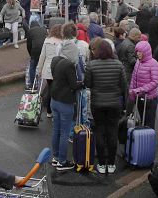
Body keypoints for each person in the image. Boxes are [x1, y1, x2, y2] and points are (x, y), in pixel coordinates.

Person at [84, 37, 126, 174]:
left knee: (100, 131)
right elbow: (124, 86)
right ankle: (111, 163)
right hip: (114, 103)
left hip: (97, 103)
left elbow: (88, 84)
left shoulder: (91, 65)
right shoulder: (119, 64)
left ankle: (101, 164)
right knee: (112, 131)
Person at [49, 39, 83, 171]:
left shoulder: (55, 60)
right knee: (64, 132)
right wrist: (82, 83)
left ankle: (56, 157)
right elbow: (74, 85)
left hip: (54, 100)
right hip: (65, 101)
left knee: (56, 130)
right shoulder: (69, 64)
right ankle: (62, 161)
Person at [128, 40, 158, 129]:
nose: (138, 54)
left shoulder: (154, 64)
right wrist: (132, 93)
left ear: (145, 52)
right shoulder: (138, 62)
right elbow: (134, 78)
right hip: (139, 98)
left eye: (140, 52)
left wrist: (139, 90)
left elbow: (155, 82)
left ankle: (149, 141)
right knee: (142, 120)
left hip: (150, 99)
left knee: (149, 123)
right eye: (137, 51)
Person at [36, 23, 63, 118]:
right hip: (59, 68)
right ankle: (56, 111)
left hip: (47, 69)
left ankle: (49, 111)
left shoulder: (47, 40)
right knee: (58, 91)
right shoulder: (62, 42)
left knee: (50, 90)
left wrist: (39, 70)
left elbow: (42, 56)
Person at [26, 20, 47, 89]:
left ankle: (32, 84)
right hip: (44, 50)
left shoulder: (30, 31)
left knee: (33, 66)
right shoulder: (44, 30)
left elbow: (28, 45)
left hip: (35, 51)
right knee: (43, 66)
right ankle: (43, 85)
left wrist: (31, 54)